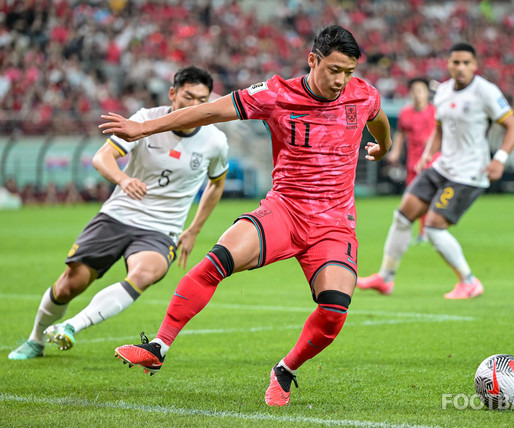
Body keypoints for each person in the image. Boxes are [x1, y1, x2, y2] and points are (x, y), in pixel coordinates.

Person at [101, 25, 392, 407]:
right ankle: (158, 346)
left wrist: (383, 147)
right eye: (333, 69)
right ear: (312, 60)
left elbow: (378, 118)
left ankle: (285, 370)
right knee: (216, 261)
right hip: (284, 211)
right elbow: (208, 111)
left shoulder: (362, 94)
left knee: (335, 309)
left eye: (348, 72)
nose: (340, 80)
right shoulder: (276, 94)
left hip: (334, 224)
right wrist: (143, 128)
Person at [8, 66, 229, 360]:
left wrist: (194, 230)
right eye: (188, 97)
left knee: (147, 272)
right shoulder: (145, 120)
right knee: (70, 283)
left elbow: (216, 185)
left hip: (162, 229)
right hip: (118, 215)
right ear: (173, 93)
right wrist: (124, 179)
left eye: (203, 101)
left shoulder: (215, 141)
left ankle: (72, 326)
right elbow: (102, 157)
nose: (195, 107)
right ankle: (36, 340)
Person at [357, 42, 514, 299]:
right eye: (456, 62)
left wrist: (499, 159)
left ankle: (469, 281)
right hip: (441, 167)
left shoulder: (486, 92)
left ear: (475, 66)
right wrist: (427, 156)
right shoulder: (443, 91)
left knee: (433, 227)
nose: (460, 67)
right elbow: (440, 128)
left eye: (466, 63)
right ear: (448, 64)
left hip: (468, 174)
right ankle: (385, 278)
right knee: (402, 216)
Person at [384, 77, 436, 245]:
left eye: (420, 90)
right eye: (414, 91)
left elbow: (443, 134)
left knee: (428, 198)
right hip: (413, 163)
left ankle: (426, 232)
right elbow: (400, 134)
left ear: (427, 93)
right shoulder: (405, 113)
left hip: (432, 163)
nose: (417, 94)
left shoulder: (435, 112)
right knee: (411, 199)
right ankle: (417, 233)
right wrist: (395, 152)